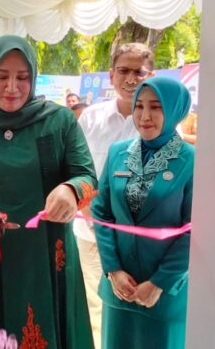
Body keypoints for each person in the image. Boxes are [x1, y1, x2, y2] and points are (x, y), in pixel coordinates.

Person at [0, 35, 96, 349]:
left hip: (51, 257)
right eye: (1, 77)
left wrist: (70, 189)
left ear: (34, 77)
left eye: (22, 77)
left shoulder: (59, 122)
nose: (12, 87)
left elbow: (87, 177)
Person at [91, 76, 193, 349]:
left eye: (156, 107)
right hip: (120, 291)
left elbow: (194, 230)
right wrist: (113, 270)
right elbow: (101, 212)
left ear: (174, 110)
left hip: (164, 294)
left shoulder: (191, 159)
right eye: (139, 106)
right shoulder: (118, 153)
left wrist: (160, 281)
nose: (145, 116)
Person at [75, 42, 155, 348]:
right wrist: (89, 211)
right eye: (123, 70)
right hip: (90, 232)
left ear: (152, 75)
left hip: (139, 238)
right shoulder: (90, 119)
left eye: (139, 71)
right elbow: (76, 171)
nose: (131, 78)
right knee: (94, 305)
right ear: (111, 75)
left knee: (136, 304)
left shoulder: (158, 123)